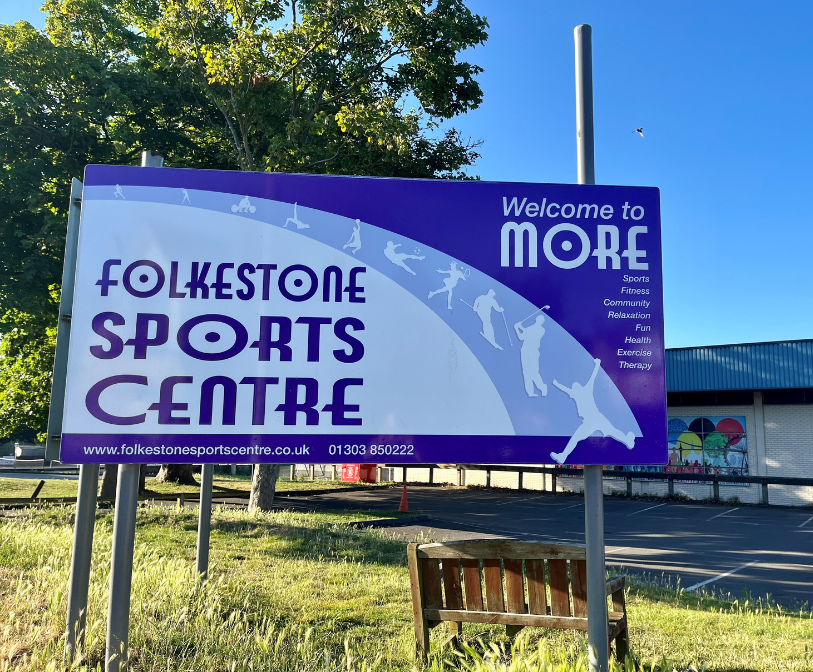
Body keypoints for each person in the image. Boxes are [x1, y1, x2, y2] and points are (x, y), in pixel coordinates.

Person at [549, 358, 635, 464]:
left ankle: (628, 440)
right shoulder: (575, 394)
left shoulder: (586, 389)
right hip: (588, 422)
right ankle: (563, 456)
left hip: (596, 417)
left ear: (579, 386)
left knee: (612, 431)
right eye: (573, 386)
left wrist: (597, 364)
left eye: (575, 385)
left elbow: (592, 377)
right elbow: (565, 389)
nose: (574, 386)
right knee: (576, 438)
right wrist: (556, 383)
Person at [514, 314, 547, 396]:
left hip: (533, 351)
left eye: (542, 321)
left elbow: (531, 333)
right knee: (526, 372)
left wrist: (519, 327)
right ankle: (530, 392)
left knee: (534, 371)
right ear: (537, 320)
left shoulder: (541, 330)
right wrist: (516, 329)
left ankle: (542, 387)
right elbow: (521, 337)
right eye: (541, 320)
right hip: (525, 351)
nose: (542, 322)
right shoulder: (529, 328)